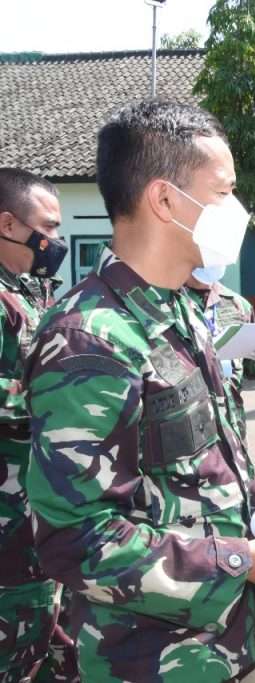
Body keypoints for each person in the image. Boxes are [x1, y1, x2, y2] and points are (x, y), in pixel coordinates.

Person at [23, 100, 255, 682]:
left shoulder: (184, 315)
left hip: (221, 648)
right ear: (165, 200)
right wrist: (244, 560)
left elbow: (198, 465)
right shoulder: (91, 338)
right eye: (223, 192)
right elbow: (75, 538)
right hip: (141, 658)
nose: (237, 210)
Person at [0, 168, 78, 682]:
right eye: (47, 228)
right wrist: (65, 401)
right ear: (8, 223)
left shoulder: (31, 292)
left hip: (41, 509)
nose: (56, 241)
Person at [184, 267, 255, 442]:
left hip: (231, 424)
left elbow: (251, 369)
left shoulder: (238, 305)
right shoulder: (169, 301)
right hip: (186, 426)